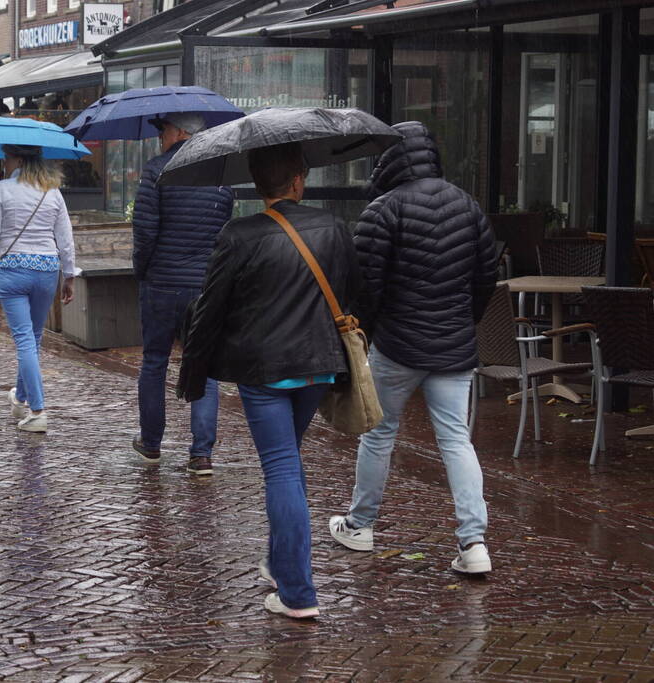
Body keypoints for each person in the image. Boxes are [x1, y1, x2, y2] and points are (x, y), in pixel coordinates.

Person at [178, 142, 361, 618]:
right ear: (298, 180)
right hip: (319, 365)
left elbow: (210, 309)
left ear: (259, 186)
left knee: (281, 467)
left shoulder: (239, 235)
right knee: (289, 464)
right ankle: (282, 563)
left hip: (263, 372)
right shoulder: (335, 228)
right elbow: (353, 295)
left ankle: (298, 592)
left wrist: (193, 375)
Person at [328, 121, 498, 575]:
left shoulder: (385, 209)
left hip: (398, 346)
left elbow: (367, 286)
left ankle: (360, 526)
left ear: (392, 160)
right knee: (456, 441)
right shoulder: (469, 206)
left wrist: (371, 332)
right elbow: (486, 279)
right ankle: (474, 543)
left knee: (378, 433)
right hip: (454, 346)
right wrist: (465, 322)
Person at [131, 111, 234, 475]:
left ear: (178, 132)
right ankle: (201, 454)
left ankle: (151, 444)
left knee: (155, 362)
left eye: (162, 130)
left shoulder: (156, 170)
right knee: (203, 367)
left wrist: (141, 272)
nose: (160, 137)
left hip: (161, 284)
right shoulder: (220, 176)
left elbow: (144, 234)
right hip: (203, 287)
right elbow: (223, 236)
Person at [0, 144, 77, 433]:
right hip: (47, 270)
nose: (4, 163)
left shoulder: (3, 188)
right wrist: (69, 275)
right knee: (33, 339)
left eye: (6, 158)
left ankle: (37, 411)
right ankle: (20, 396)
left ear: (19, 159)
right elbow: (65, 237)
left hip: (13, 270)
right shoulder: (53, 191)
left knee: (25, 340)